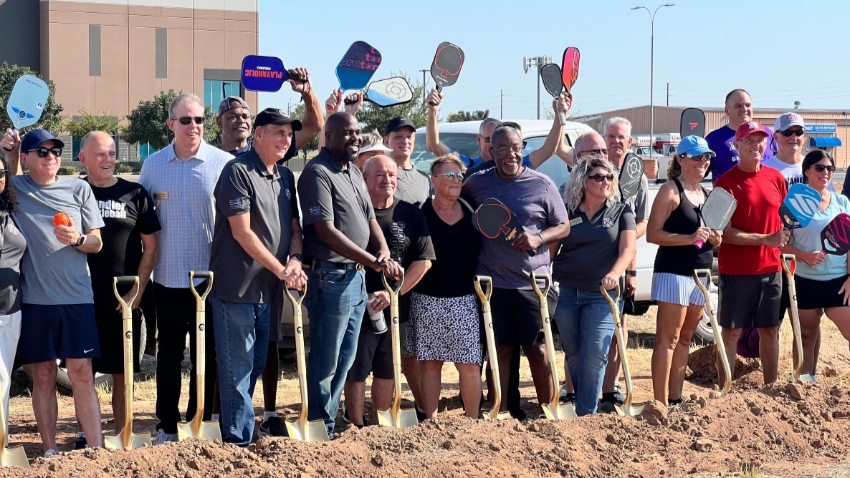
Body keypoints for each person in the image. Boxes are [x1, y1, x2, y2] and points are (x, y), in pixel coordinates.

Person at [297, 112, 402, 438]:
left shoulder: (354, 173)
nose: (354, 139)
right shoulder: (317, 173)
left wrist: (383, 251)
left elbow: (371, 219)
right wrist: (373, 261)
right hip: (329, 278)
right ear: (328, 135)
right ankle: (318, 428)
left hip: (354, 280)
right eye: (347, 134)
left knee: (344, 361)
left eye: (357, 134)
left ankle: (326, 427)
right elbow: (325, 232)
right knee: (325, 363)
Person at [1, 128, 105, 455]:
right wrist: (9, 150)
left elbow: (96, 242)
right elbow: (7, 171)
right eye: (42, 152)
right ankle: (50, 451)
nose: (51, 157)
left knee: (82, 373)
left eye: (56, 151)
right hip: (35, 301)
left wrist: (76, 239)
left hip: (77, 299)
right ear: (28, 158)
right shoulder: (17, 189)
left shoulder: (79, 188)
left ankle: (97, 449)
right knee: (44, 376)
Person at [138, 93, 234, 444]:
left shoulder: (222, 163)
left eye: (199, 120)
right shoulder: (153, 166)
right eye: (185, 120)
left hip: (209, 280)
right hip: (168, 278)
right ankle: (166, 425)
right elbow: (143, 220)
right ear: (171, 124)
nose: (193, 126)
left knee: (205, 357)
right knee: (169, 355)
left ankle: (199, 420)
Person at [209, 108, 307, 445]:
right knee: (237, 368)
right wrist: (282, 270)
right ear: (259, 134)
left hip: (269, 292)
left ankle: (242, 432)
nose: (285, 139)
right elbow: (242, 233)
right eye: (278, 132)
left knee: (256, 362)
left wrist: (294, 260)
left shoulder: (285, 177)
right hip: (236, 287)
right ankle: (237, 441)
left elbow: (295, 229)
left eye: (289, 133)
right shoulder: (237, 171)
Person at [461, 125, 570, 418]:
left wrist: (538, 238)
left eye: (516, 147)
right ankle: (501, 411)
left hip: (532, 284)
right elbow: (460, 210)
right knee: (500, 353)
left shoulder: (542, 184)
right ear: (491, 151)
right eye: (504, 148)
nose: (511, 154)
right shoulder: (476, 184)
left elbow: (564, 226)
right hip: (492, 285)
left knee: (538, 350)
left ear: (523, 149)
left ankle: (550, 412)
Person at [77, 131, 161, 444]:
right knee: (82, 372)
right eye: (100, 154)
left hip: (122, 301)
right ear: (82, 158)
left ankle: (122, 435)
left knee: (123, 374)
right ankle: (89, 435)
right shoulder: (73, 191)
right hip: (81, 298)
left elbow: (151, 248)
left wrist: (136, 293)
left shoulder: (135, 193)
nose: (108, 159)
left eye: (111, 153)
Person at [343, 154, 434, 427]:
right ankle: (357, 426)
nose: (387, 180)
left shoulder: (411, 213)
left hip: (395, 307)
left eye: (392, 175)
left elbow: (424, 261)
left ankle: (379, 425)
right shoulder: (354, 212)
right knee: (356, 369)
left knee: (387, 368)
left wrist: (394, 294)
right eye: (380, 175)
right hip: (358, 306)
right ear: (366, 178)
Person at [552, 157, 637, 416]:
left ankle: (587, 415)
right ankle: (584, 407)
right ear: (583, 181)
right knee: (574, 355)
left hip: (602, 295)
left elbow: (628, 249)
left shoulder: (622, 211)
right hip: (567, 292)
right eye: (599, 177)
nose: (606, 182)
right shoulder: (568, 211)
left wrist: (615, 273)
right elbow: (552, 249)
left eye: (609, 177)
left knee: (595, 354)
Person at [646, 136, 722, 405]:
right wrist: (689, 238)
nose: (704, 162)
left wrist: (716, 239)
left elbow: (716, 237)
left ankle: (675, 398)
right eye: (697, 157)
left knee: (687, 337)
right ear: (680, 159)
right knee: (669, 339)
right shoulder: (670, 190)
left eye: (707, 157)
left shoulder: (707, 194)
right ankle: (659, 403)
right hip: (673, 273)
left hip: (700, 274)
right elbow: (652, 234)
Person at [714, 121, 789, 388]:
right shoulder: (725, 183)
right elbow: (725, 232)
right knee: (731, 333)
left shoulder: (776, 179)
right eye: (748, 141)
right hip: (736, 271)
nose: (755, 146)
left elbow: (784, 221)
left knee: (770, 330)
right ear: (737, 145)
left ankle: (771, 390)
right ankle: (725, 393)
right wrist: (766, 239)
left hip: (771, 270)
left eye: (760, 140)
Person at [408, 154, 481, 419]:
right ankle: (430, 422)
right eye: (449, 175)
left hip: (465, 300)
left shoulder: (473, 210)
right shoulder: (419, 213)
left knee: (470, 365)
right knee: (429, 364)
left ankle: (472, 422)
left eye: (459, 176)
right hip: (426, 299)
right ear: (434, 179)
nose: (456, 180)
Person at [782, 150, 850, 379]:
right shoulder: (795, 203)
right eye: (820, 168)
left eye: (830, 169)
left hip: (839, 281)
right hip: (805, 281)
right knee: (806, 336)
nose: (826, 173)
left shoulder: (842, 202)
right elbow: (780, 245)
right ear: (807, 171)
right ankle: (803, 384)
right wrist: (804, 256)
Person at [598, 118, 650, 408]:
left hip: (624, 260)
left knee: (620, 325)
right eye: (611, 136)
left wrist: (627, 235)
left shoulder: (637, 178)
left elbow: (643, 221)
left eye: (621, 137)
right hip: (593, 259)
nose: (616, 141)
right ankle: (581, 385)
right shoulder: (594, 173)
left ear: (630, 142)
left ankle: (612, 384)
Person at [425, 89, 572, 171]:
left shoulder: (517, 164)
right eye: (488, 139)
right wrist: (433, 110)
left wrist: (560, 114)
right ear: (479, 139)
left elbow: (548, 150)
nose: (492, 145)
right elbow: (434, 145)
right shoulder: (467, 165)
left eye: (497, 140)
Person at [217, 68, 323, 158]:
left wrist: (307, 92)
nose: (241, 121)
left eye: (245, 116)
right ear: (219, 122)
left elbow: (314, 126)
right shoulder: (208, 157)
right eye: (233, 117)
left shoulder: (266, 152)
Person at [0, 155, 25, 452]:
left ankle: (3, 441)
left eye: (1, 173)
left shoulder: (12, 211)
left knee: (4, 375)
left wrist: (15, 150)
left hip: (12, 307)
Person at [705, 89, 774, 183]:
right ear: (727, 110)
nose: (744, 109)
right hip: (729, 195)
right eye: (738, 106)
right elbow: (695, 176)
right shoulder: (713, 140)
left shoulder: (768, 134)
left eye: (748, 105)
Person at [384, 116, 431, 206]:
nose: (405, 141)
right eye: (398, 137)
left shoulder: (425, 179)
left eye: (409, 137)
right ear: (386, 141)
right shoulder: (380, 175)